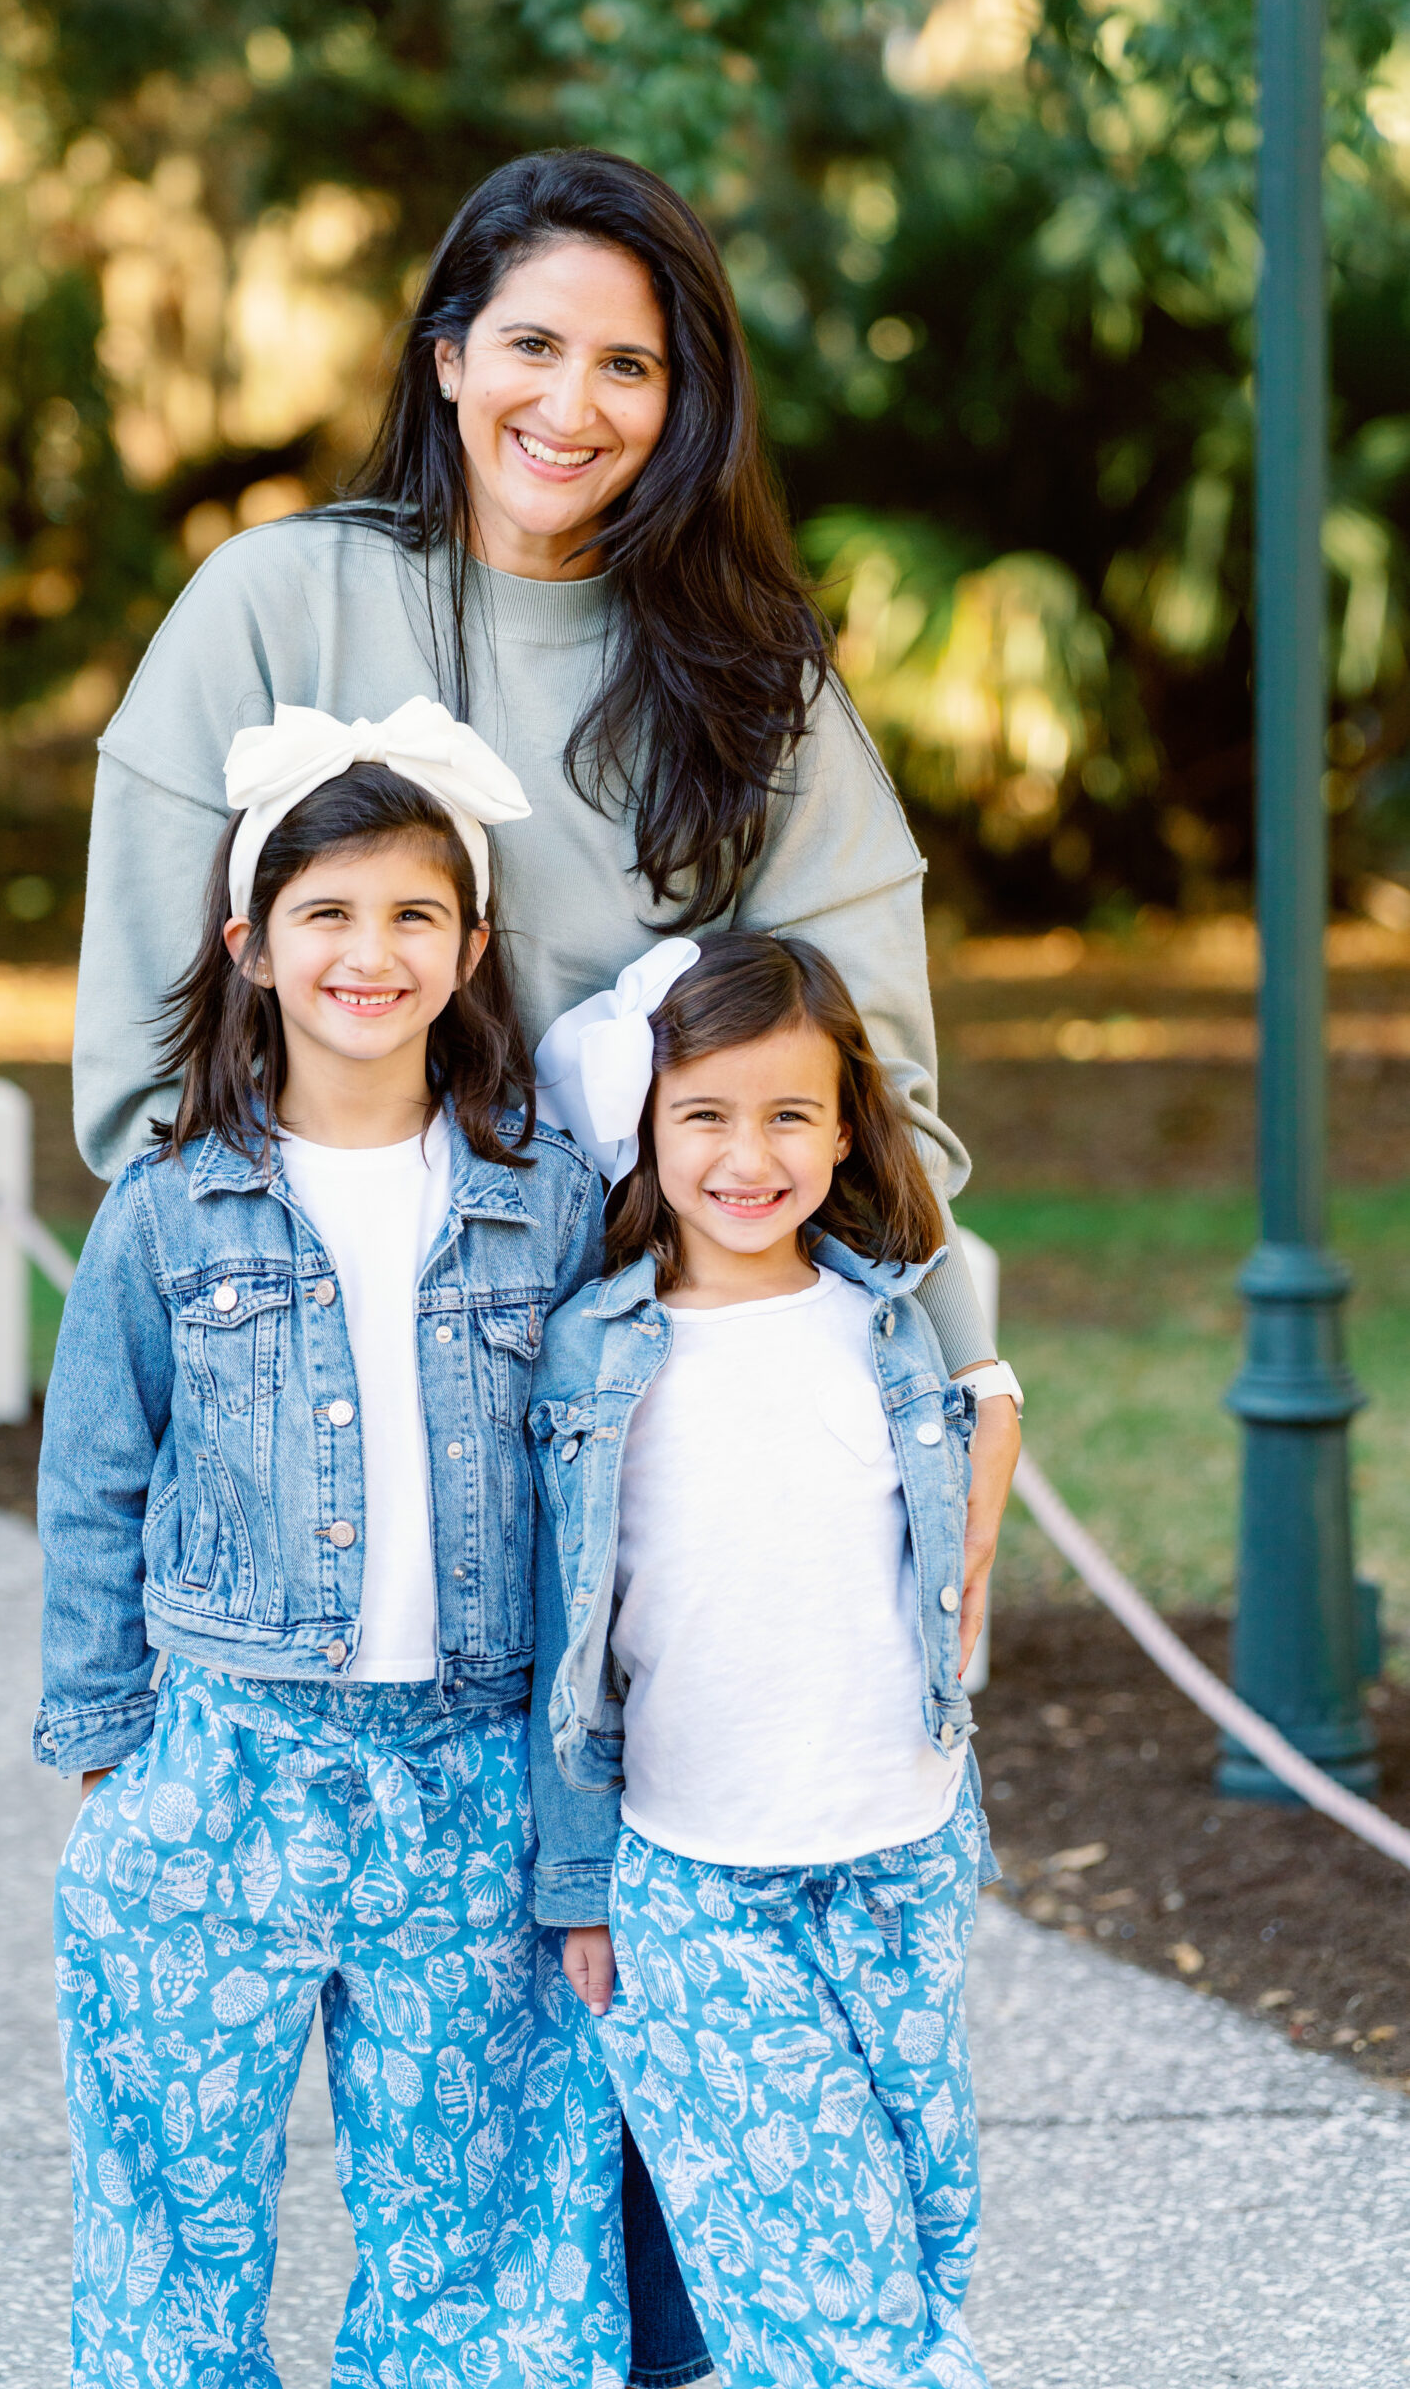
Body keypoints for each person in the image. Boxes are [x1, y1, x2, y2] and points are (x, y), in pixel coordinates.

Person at [71, 142, 1020, 2384]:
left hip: (665, 1444)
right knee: (282, 2132)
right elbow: (138, 1080)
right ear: (445, 354)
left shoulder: (753, 682)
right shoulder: (272, 606)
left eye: (631, 359)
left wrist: (955, 1415)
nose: (573, 404)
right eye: (531, 347)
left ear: (684, 394)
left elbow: (878, 1102)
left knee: (641, 2039)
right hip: (345, 1443)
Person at [35, 700, 632, 2389]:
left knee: (477, 2219)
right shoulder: (172, 1206)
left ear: (473, 942)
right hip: (227, 1762)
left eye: (413, 915)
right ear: (251, 943)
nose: (370, 953)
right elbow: (93, 1474)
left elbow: (610, 1483)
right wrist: (106, 1758)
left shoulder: (550, 1199)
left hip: (473, 1774)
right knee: (175, 2215)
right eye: (328, 914)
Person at [527, 931, 1015, 2389]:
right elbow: (565, 1644)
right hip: (695, 1876)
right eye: (707, 1117)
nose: (750, 1156)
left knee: (922, 2225)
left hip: (904, 1845)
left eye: (790, 1114)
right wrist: (579, 1878)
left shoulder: (894, 1322)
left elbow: (967, 1465)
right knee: (813, 2273)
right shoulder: (597, 1357)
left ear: (848, 1123)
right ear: (646, 1129)